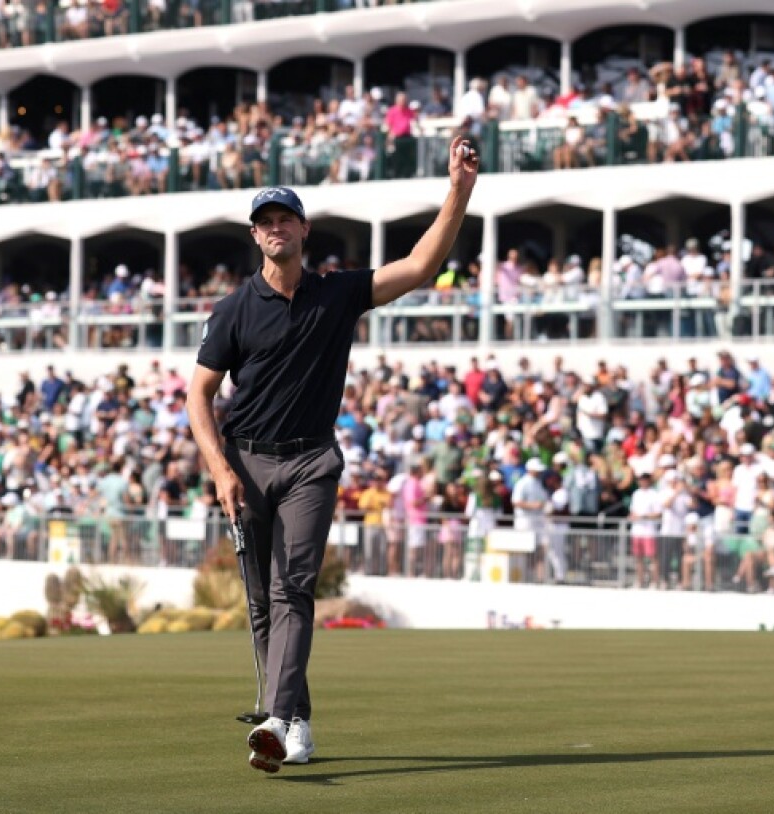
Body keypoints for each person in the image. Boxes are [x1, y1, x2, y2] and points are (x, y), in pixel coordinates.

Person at [187, 138, 479, 774]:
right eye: (264, 222)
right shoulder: (233, 310)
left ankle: (276, 718)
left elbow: (422, 265)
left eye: (283, 218)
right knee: (263, 603)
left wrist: (458, 189)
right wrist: (219, 470)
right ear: (255, 236)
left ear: (303, 229)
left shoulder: (338, 292)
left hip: (311, 464)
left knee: (293, 587)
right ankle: (297, 724)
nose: (274, 229)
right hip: (246, 463)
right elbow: (198, 396)